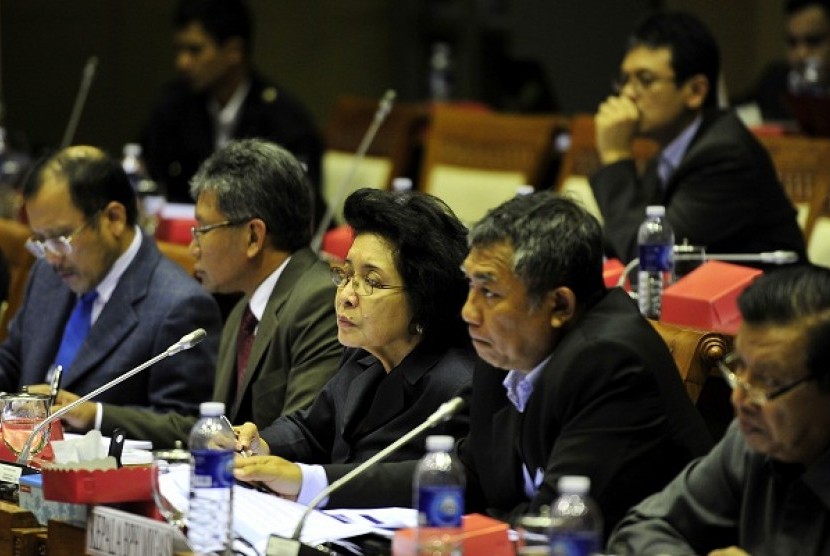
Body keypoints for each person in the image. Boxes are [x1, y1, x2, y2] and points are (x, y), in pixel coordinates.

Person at [238, 193, 713, 539]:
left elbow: (557, 525)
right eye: (470, 288)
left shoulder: (610, 363)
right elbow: (467, 472)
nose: (468, 312)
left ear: (559, 305)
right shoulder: (504, 348)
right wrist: (307, 481)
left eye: (489, 292)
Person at [46, 139, 343, 447]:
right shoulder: (244, 311)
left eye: (202, 230)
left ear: (253, 236)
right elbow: (213, 431)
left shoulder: (319, 301)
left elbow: (304, 436)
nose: (192, 248)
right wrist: (93, 415)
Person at [233, 187, 474, 506]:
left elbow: (420, 480)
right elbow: (310, 430)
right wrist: (263, 444)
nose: (346, 295)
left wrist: (309, 481)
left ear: (424, 299)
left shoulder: (459, 386)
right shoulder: (364, 356)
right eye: (346, 275)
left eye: (371, 282)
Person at [608, 265, 830, 555]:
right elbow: (641, 529)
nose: (739, 399)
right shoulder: (752, 441)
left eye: (767, 381)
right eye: (739, 368)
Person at [0, 146, 221, 414]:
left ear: (114, 218)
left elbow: (184, 421)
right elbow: (11, 363)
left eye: (61, 238)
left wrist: (95, 416)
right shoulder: (47, 274)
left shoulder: (180, 306)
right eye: (42, 240)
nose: (52, 257)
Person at [590, 11, 806, 267]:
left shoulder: (724, 155)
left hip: (774, 303)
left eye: (645, 81)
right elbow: (621, 242)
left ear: (695, 91)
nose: (627, 93)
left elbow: (651, 264)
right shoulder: (670, 149)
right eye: (624, 80)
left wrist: (615, 156)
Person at [141, 0, 325, 223]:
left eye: (195, 50)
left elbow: (300, 209)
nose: (182, 63)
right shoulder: (173, 106)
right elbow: (145, 178)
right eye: (179, 50)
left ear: (234, 51)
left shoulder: (283, 120)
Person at [734, 0, 830, 122]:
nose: (801, 54)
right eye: (792, 42)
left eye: (814, 41)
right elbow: (737, 108)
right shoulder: (775, 81)